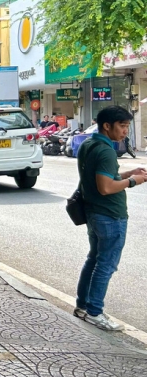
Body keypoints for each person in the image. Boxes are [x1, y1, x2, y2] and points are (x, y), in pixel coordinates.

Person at [75, 106, 147, 331]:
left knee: (94, 260)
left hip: (94, 212)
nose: (125, 131)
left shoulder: (88, 144)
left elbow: (103, 177)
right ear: (107, 126)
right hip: (110, 215)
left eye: (127, 126)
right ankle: (95, 312)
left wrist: (128, 173)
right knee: (106, 265)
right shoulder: (106, 151)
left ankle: (83, 306)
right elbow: (106, 187)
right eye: (122, 126)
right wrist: (134, 181)